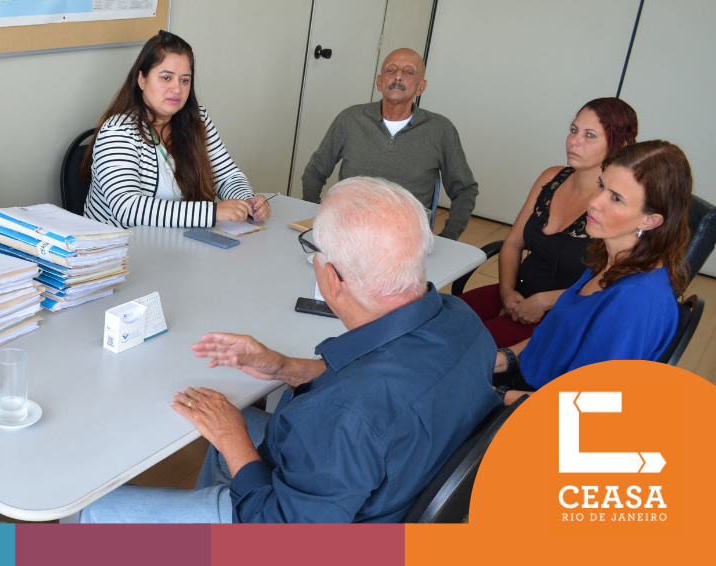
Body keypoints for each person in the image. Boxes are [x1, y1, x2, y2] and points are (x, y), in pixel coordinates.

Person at [79, 177, 501, 523]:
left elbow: (284, 535)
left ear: (332, 278)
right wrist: (286, 367)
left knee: (96, 510)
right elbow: (377, 384)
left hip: (301, 526)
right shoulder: (459, 318)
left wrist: (234, 441)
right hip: (387, 481)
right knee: (230, 421)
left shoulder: (345, 417)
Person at [492, 141, 689, 405]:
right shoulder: (608, 258)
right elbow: (554, 336)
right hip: (528, 385)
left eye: (616, 198)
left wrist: (494, 396)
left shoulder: (637, 300)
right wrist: (501, 360)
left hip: (544, 416)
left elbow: (589, 404)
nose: (594, 202)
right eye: (601, 185)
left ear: (649, 220)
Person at [460, 98, 639, 347]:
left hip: (560, 314)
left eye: (590, 135)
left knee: (464, 346)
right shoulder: (552, 177)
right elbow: (512, 242)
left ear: (621, 145)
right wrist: (507, 291)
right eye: (574, 130)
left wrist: (545, 301)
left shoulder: (618, 204)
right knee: (438, 318)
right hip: (516, 292)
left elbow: (611, 283)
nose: (574, 141)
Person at [81, 31, 271, 229]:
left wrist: (247, 203)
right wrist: (212, 212)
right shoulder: (118, 131)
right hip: (117, 251)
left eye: (184, 80)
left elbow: (226, 176)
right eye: (166, 78)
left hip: (176, 244)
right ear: (142, 79)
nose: (177, 89)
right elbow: (127, 207)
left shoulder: (198, 120)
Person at [299, 48, 478, 240]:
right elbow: (315, 172)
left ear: (421, 87)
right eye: (391, 70)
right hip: (347, 231)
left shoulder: (440, 130)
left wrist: (449, 236)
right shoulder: (350, 119)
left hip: (404, 239)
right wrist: (318, 216)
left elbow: (465, 190)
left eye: (409, 72)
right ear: (379, 82)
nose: (398, 77)